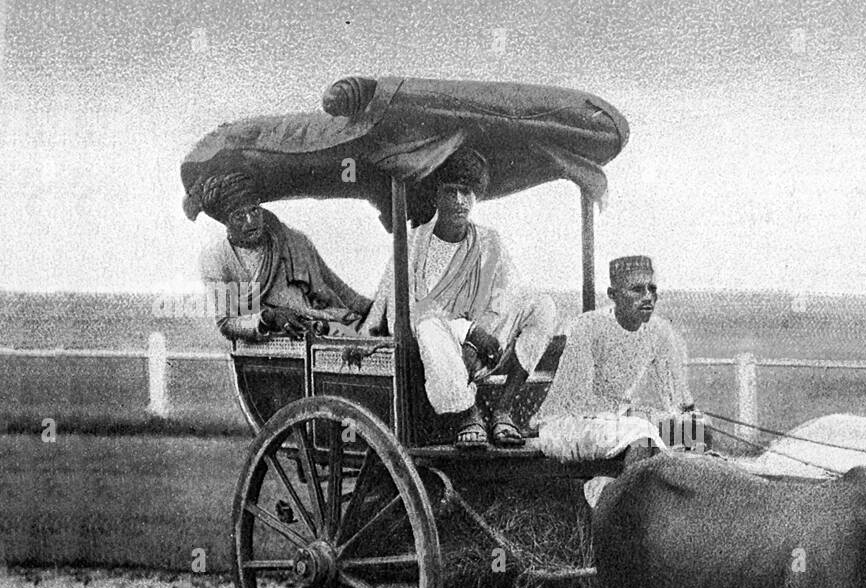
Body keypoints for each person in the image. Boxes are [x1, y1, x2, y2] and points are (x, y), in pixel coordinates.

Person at [364, 148, 557, 448]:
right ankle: (468, 413)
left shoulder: (490, 241)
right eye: (450, 191)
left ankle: (503, 409)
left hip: (485, 348)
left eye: (465, 192)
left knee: (541, 305)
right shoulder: (412, 244)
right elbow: (405, 314)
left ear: (475, 196)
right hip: (433, 352)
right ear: (435, 196)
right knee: (428, 324)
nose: (458, 201)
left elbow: (505, 297)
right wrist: (466, 332)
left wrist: (479, 338)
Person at [535, 255, 698, 462]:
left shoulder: (659, 330)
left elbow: (677, 397)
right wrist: (635, 414)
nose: (648, 297)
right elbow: (578, 402)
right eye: (637, 290)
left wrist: (687, 416)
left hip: (617, 424)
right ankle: (612, 492)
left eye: (652, 289)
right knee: (642, 433)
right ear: (613, 295)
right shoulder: (588, 326)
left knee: (694, 429)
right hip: (566, 425)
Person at [186, 172, 372, 342]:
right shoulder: (215, 258)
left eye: (254, 210)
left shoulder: (295, 240)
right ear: (225, 221)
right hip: (271, 351)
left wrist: (375, 308)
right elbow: (226, 323)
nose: (251, 221)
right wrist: (269, 317)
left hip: (326, 330)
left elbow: (339, 290)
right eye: (239, 216)